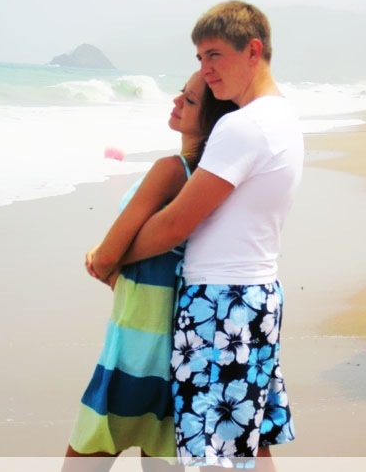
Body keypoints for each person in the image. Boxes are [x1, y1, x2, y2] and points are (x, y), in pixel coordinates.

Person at [89, 0, 304, 470]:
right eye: (200, 57)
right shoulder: (282, 118)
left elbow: (175, 224)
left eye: (215, 55)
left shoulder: (244, 126)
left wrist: (110, 257)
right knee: (247, 442)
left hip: (221, 305)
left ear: (253, 51)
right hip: (254, 297)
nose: (205, 69)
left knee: (213, 454)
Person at [63, 71, 237, 471]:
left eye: (189, 101)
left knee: (84, 457)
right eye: (181, 93)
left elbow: (107, 256)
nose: (176, 102)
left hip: (136, 343)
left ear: (211, 120)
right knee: (158, 459)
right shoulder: (212, 182)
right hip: (180, 342)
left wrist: (98, 257)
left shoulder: (172, 170)